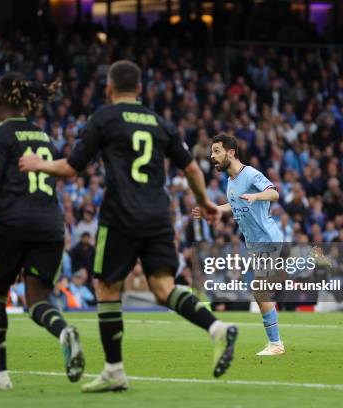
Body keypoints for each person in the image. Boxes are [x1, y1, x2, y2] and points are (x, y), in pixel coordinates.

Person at [20, 60, 238, 393]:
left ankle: (114, 370)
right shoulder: (159, 122)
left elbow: (73, 168)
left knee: (107, 289)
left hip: (120, 214)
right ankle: (217, 328)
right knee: (164, 288)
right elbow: (193, 169)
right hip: (157, 215)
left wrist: (39, 163)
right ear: (139, 89)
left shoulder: (104, 118)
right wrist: (206, 202)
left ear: (108, 89)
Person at [0, 72, 84, 391]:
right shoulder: (43, 137)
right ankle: (64, 332)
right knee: (38, 298)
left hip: (14, 221)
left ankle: (0, 375)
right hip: (51, 223)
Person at [192, 133, 285, 356]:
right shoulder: (231, 182)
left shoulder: (250, 174)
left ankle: (276, 344)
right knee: (261, 292)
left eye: (216, 151)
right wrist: (213, 209)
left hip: (268, 239)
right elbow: (232, 206)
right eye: (212, 151)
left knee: (259, 290)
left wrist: (256, 197)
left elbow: (274, 194)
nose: (212, 156)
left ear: (231, 153)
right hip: (255, 244)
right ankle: (275, 341)